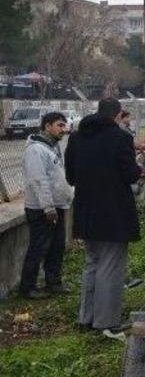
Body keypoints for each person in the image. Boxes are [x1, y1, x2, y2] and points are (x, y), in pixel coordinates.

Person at [65, 98, 142, 339]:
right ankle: (106, 322)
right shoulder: (121, 138)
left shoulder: (76, 138)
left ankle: (86, 317)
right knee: (110, 267)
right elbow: (130, 175)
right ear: (118, 115)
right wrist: (141, 170)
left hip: (86, 212)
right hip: (113, 213)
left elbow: (70, 177)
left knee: (92, 264)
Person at [19, 112, 72, 299]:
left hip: (56, 206)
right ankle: (27, 287)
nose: (64, 130)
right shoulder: (35, 150)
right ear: (47, 126)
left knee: (56, 247)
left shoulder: (52, 147)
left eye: (64, 125)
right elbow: (39, 180)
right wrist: (48, 208)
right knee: (39, 248)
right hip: (41, 209)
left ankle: (53, 282)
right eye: (60, 125)